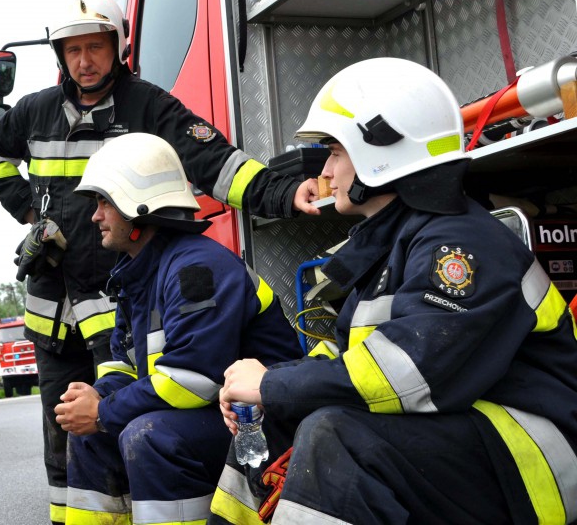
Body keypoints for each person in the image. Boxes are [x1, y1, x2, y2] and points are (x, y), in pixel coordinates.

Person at [0, 0, 318, 523]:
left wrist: (282, 194)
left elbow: (214, 162)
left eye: (95, 47)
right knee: (68, 433)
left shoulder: (148, 109)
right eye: (72, 50)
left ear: (118, 47)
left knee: (133, 427)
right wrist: (30, 213)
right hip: (55, 308)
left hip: (116, 292)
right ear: (60, 56)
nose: (84, 61)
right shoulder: (35, 111)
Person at [211, 58, 577, 525]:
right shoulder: (395, 243)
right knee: (271, 419)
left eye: (335, 152)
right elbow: (352, 356)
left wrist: (271, 384)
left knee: (334, 435)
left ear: (377, 153)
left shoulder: (460, 245)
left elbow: (410, 374)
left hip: (533, 459)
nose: (325, 169)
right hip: (467, 434)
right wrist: (266, 387)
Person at [53, 133, 303, 524]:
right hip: (211, 416)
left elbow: (192, 379)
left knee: (149, 435)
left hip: (264, 424)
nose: (95, 216)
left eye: (104, 202)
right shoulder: (138, 275)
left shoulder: (196, 270)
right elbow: (126, 366)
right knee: (89, 434)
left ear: (137, 208)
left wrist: (103, 411)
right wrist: (94, 397)